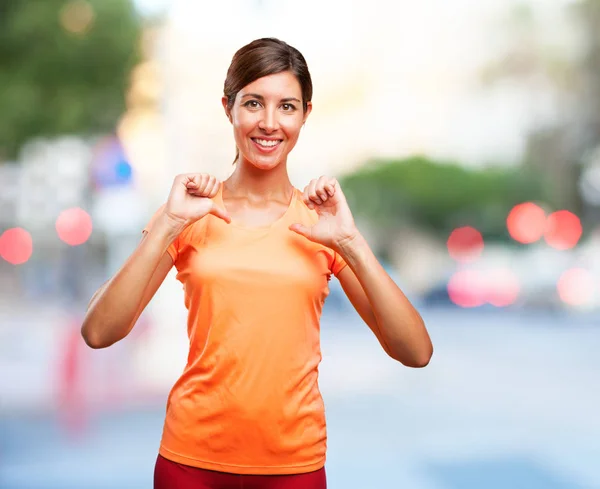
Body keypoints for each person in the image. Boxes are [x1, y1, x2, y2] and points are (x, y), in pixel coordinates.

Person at [81, 37, 433, 489]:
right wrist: (168, 223)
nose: (269, 123)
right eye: (253, 103)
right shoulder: (191, 211)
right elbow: (99, 332)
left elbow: (416, 352)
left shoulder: (322, 223)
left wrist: (350, 242)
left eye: (287, 106)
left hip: (294, 467)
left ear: (306, 113)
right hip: (190, 462)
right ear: (228, 108)